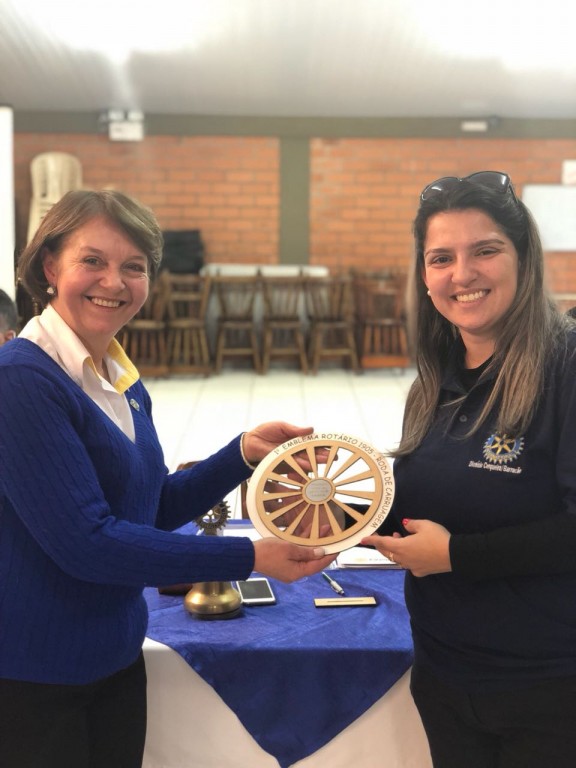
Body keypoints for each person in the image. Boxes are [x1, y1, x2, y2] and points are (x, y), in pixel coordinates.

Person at [0, 189, 335, 768]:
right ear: (50, 267)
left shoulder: (118, 376)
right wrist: (250, 557)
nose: (114, 282)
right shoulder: (21, 381)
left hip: (113, 658)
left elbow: (148, 508)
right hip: (34, 677)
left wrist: (241, 454)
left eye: (134, 267)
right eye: (92, 260)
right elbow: (88, 542)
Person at [362, 171, 576, 768]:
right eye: (441, 258)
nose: (462, 274)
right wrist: (327, 496)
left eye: (485, 250)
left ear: (523, 258)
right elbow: (424, 506)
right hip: (445, 673)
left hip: (549, 686)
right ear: (424, 276)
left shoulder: (566, 367)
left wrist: (458, 556)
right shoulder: (436, 381)